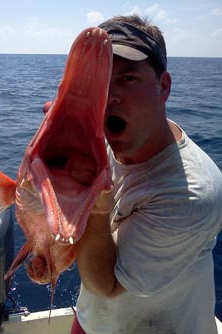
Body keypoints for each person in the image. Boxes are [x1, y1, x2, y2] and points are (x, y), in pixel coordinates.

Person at [68, 14, 222, 334]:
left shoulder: (191, 192)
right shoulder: (107, 143)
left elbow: (107, 284)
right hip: (91, 321)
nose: (109, 96)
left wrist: (95, 196)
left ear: (163, 86)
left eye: (127, 78)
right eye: (99, 82)